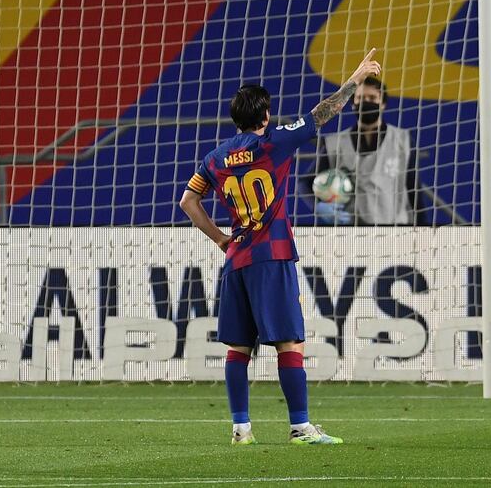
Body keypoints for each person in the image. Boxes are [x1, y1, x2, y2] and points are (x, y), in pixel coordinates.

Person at [179, 49, 381, 445]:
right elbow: (322, 113)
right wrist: (355, 79)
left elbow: (188, 200)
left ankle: (241, 429)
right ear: (265, 116)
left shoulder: (216, 158)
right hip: (271, 255)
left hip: (236, 259)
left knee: (238, 348)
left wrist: (220, 238)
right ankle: (301, 427)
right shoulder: (275, 143)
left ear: (236, 118)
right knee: (290, 342)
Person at [312, 77, 423, 225]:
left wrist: (424, 230)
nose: (366, 102)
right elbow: (306, 182)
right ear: (353, 104)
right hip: (352, 232)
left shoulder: (403, 140)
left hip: (397, 231)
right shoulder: (334, 144)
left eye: (372, 97)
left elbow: (414, 189)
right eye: (360, 98)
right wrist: (320, 206)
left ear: (382, 103)